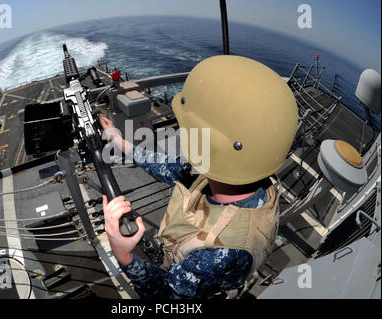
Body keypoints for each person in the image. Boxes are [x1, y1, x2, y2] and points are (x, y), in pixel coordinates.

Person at [100, 55, 298, 299]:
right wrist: (117, 140)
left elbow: (167, 299)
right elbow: (169, 167)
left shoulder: (221, 254)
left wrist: (124, 256)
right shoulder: (232, 170)